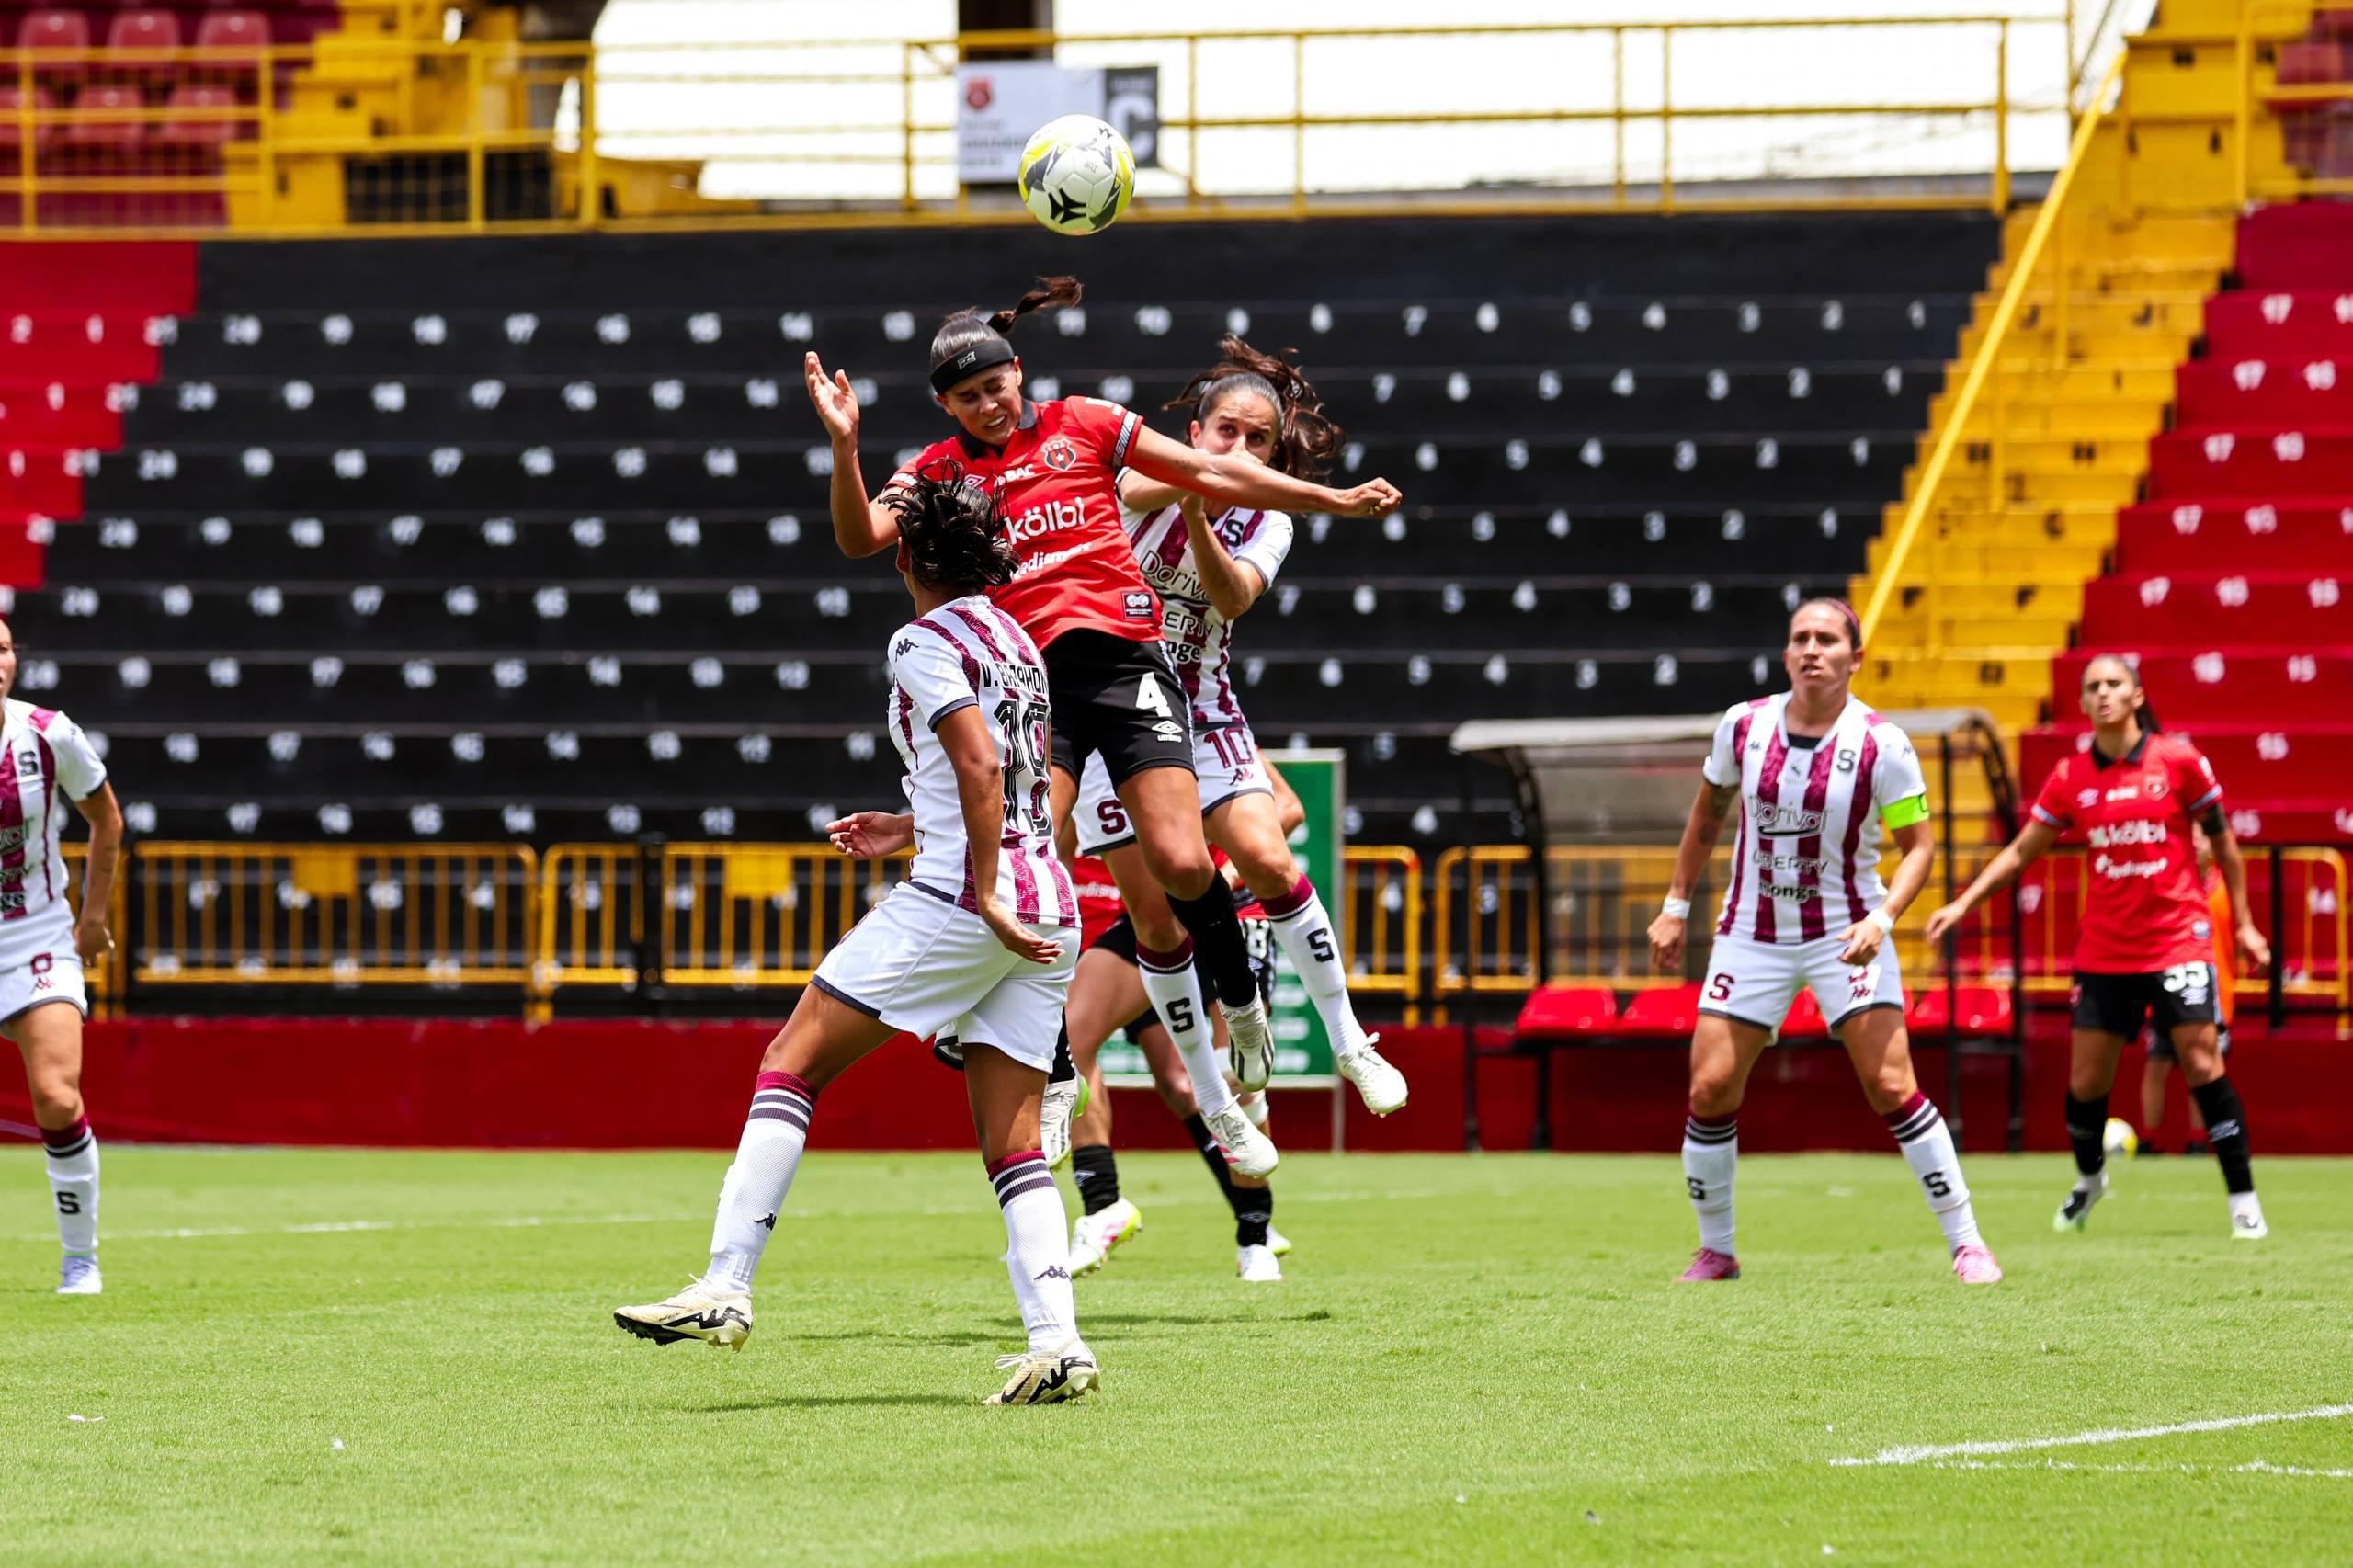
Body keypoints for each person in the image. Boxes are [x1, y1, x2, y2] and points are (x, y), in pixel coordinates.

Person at [807, 278, 1404, 1182]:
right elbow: (859, 538)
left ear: (1020, 373)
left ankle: (1243, 1003)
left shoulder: (1087, 422)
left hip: (1126, 669)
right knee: (1024, 868)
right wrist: (845, 444)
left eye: (998, 385)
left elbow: (1210, 475)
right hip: (1033, 692)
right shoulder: (936, 469)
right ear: (945, 406)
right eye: (969, 396)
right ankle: (1048, 1069)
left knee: (1185, 863)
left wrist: (1337, 503)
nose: (990, 403)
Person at [614, 467, 1097, 1405]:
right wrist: (905, 822)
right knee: (1013, 1143)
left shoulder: (919, 639)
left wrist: (981, 889)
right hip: (1053, 902)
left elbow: (982, 762)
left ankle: (726, 1282)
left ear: (908, 553)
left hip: (968, 900)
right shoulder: (1016, 639)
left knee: (791, 1059)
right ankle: (1059, 1342)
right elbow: (1013, 776)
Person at [1075, 335, 1406, 1118]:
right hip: (1110, 715)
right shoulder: (1136, 482)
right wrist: (1192, 487)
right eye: (1228, 432)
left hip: (1201, 707)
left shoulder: (1271, 523)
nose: (1243, 448)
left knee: (1265, 853)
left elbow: (1229, 600)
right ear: (1196, 432)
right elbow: (1135, 483)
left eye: (1260, 440)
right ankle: (1213, 1096)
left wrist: (1202, 509)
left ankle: (1351, 1041)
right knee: (1154, 920)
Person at [1649, 599, 2001, 1285]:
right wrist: (1674, 906)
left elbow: (1919, 848)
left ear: (1855, 658)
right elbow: (1706, 817)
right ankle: (1716, 1250)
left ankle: (1967, 1241)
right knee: (1711, 1085)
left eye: (1828, 639)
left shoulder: (1882, 744)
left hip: (1847, 931)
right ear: (1786, 656)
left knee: (1891, 1083)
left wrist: (1883, 918)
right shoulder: (1743, 727)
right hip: (1752, 933)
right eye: (1800, 639)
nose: (1812, 649)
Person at [1926, 653, 2272, 1240]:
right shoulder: (2069, 778)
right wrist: (1962, 903)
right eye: (2093, 687)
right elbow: (2020, 852)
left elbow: (2225, 845)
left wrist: (2242, 923)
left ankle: (2243, 1201)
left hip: (2177, 941)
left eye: (2115, 684)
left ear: (2137, 696)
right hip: (2106, 950)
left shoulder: (2178, 760)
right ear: (2083, 704)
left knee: (2203, 1059)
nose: (2104, 693)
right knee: (2087, 1084)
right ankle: (2090, 1182)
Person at [1063, 772, 1302, 1283]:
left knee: (1232, 1078)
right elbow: (1055, 841)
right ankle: (1103, 1204)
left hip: (1225, 906)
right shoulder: (1068, 741)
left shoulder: (1192, 710)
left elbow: (1286, 806)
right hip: (1145, 915)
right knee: (1066, 1041)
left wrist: (1232, 874)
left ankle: (1255, 1234)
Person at [0, 618, 122, 1297]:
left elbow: (106, 818)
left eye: (6, 649)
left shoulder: (47, 733)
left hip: (33, 938)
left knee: (54, 1093)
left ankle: (81, 1259)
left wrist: (93, 919)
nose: (0, 662)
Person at [2139, 821, 2235, 1156]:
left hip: (2212, 994)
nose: (2195, 845)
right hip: (2166, 988)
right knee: (2157, 1064)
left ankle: (2198, 1141)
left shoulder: (2225, 888)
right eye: (2189, 838)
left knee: (2202, 1068)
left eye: (2201, 839)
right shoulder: (2166, 885)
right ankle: (2149, 1140)